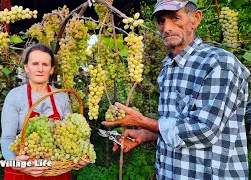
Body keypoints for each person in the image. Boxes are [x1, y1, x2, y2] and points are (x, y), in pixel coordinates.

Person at [102, 0, 250, 179]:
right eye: (161, 20)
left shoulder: (219, 64)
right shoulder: (168, 67)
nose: (167, 27)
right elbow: (179, 124)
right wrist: (147, 134)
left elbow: (205, 130)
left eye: (175, 18)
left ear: (195, 19)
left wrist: (143, 121)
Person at [0, 44, 88, 180]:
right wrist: (16, 162)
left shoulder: (61, 97)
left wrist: (80, 155)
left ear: (52, 69)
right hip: (22, 171)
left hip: (57, 171)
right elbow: (7, 139)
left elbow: (73, 135)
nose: (40, 69)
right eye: (35, 64)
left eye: (45, 64)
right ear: (26, 67)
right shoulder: (15, 96)